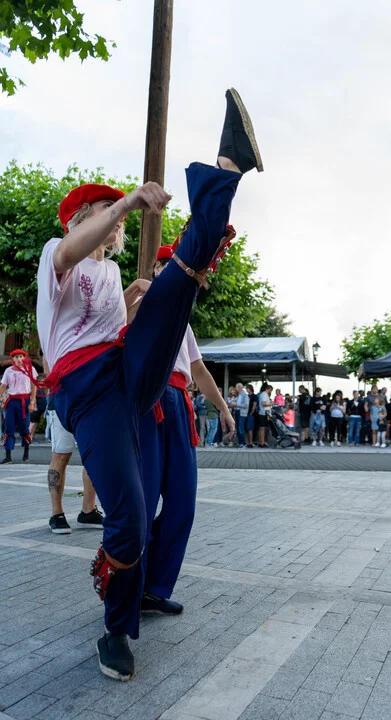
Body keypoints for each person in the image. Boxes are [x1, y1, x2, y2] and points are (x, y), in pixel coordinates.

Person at [35, 88, 262, 681]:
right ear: (80, 220)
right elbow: (74, 254)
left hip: (126, 371)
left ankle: (227, 167)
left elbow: (124, 330)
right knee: (131, 518)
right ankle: (115, 628)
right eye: (100, 212)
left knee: (180, 277)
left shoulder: (112, 273)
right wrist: (129, 201)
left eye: (111, 216)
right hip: (86, 389)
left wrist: (143, 298)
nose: (110, 225)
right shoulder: (59, 255)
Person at [135, 246, 235, 625]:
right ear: (156, 270)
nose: (169, 270)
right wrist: (138, 293)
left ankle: (154, 588)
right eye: (163, 265)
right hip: (148, 400)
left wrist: (223, 408)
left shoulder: (184, 322)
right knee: (141, 503)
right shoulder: (139, 305)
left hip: (180, 404)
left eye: (175, 266)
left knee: (182, 502)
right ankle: (126, 588)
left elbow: (199, 370)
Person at [46, 392, 103, 533]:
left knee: (92, 456)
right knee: (61, 455)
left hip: (89, 403)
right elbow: (46, 379)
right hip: (62, 401)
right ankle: (56, 514)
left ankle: (88, 512)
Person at [0, 349, 37, 464]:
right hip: (12, 402)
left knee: (25, 427)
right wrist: (0, 398)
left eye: (21, 356)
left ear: (24, 358)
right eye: (16, 357)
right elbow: (3, 386)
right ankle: (8, 456)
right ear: (13, 359)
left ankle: (26, 453)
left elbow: (34, 386)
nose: (19, 359)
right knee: (9, 427)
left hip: (25, 401)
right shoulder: (8, 371)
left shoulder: (30, 369)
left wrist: (32, 402)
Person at [29, 377, 47, 441]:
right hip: (36, 408)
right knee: (32, 423)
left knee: (35, 423)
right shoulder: (35, 388)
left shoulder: (41, 389)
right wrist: (35, 406)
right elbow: (32, 397)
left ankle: (32, 436)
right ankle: (28, 436)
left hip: (41, 408)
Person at [233, 382, 249, 447]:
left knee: (240, 428)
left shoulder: (245, 395)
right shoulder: (239, 395)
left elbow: (246, 405)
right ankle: (240, 443)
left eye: (236, 387)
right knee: (238, 428)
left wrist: (237, 405)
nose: (235, 389)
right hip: (237, 412)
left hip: (242, 413)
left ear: (240, 388)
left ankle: (243, 443)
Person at [257, 383, 273, 448]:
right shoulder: (264, 394)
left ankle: (261, 441)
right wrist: (270, 404)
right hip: (264, 413)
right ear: (268, 389)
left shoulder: (263, 394)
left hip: (263, 412)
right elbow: (263, 403)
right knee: (263, 428)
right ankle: (262, 442)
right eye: (270, 390)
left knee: (262, 428)